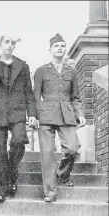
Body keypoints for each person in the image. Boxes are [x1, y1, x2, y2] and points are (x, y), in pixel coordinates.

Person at [0, 35, 37, 202]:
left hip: (17, 112)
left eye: (12, 43)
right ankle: (1, 188)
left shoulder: (22, 66)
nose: (9, 45)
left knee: (19, 141)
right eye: (6, 42)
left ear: (15, 46)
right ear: (0, 44)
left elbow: (29, 92)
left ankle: (11, 172)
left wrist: (32, 114)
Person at [34, 33, 86, 203]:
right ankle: (50, 191)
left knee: (72, 148)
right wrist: (33, 116)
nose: (60, 48)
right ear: (50, 50)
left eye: (63, 46)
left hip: (66, 114)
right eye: (57, 46)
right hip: (46, 115)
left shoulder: (71, 71)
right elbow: (35, 96)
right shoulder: (42, 70)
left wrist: (80, 114)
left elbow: (75, 97)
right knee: (48, 154)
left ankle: (63, 174)